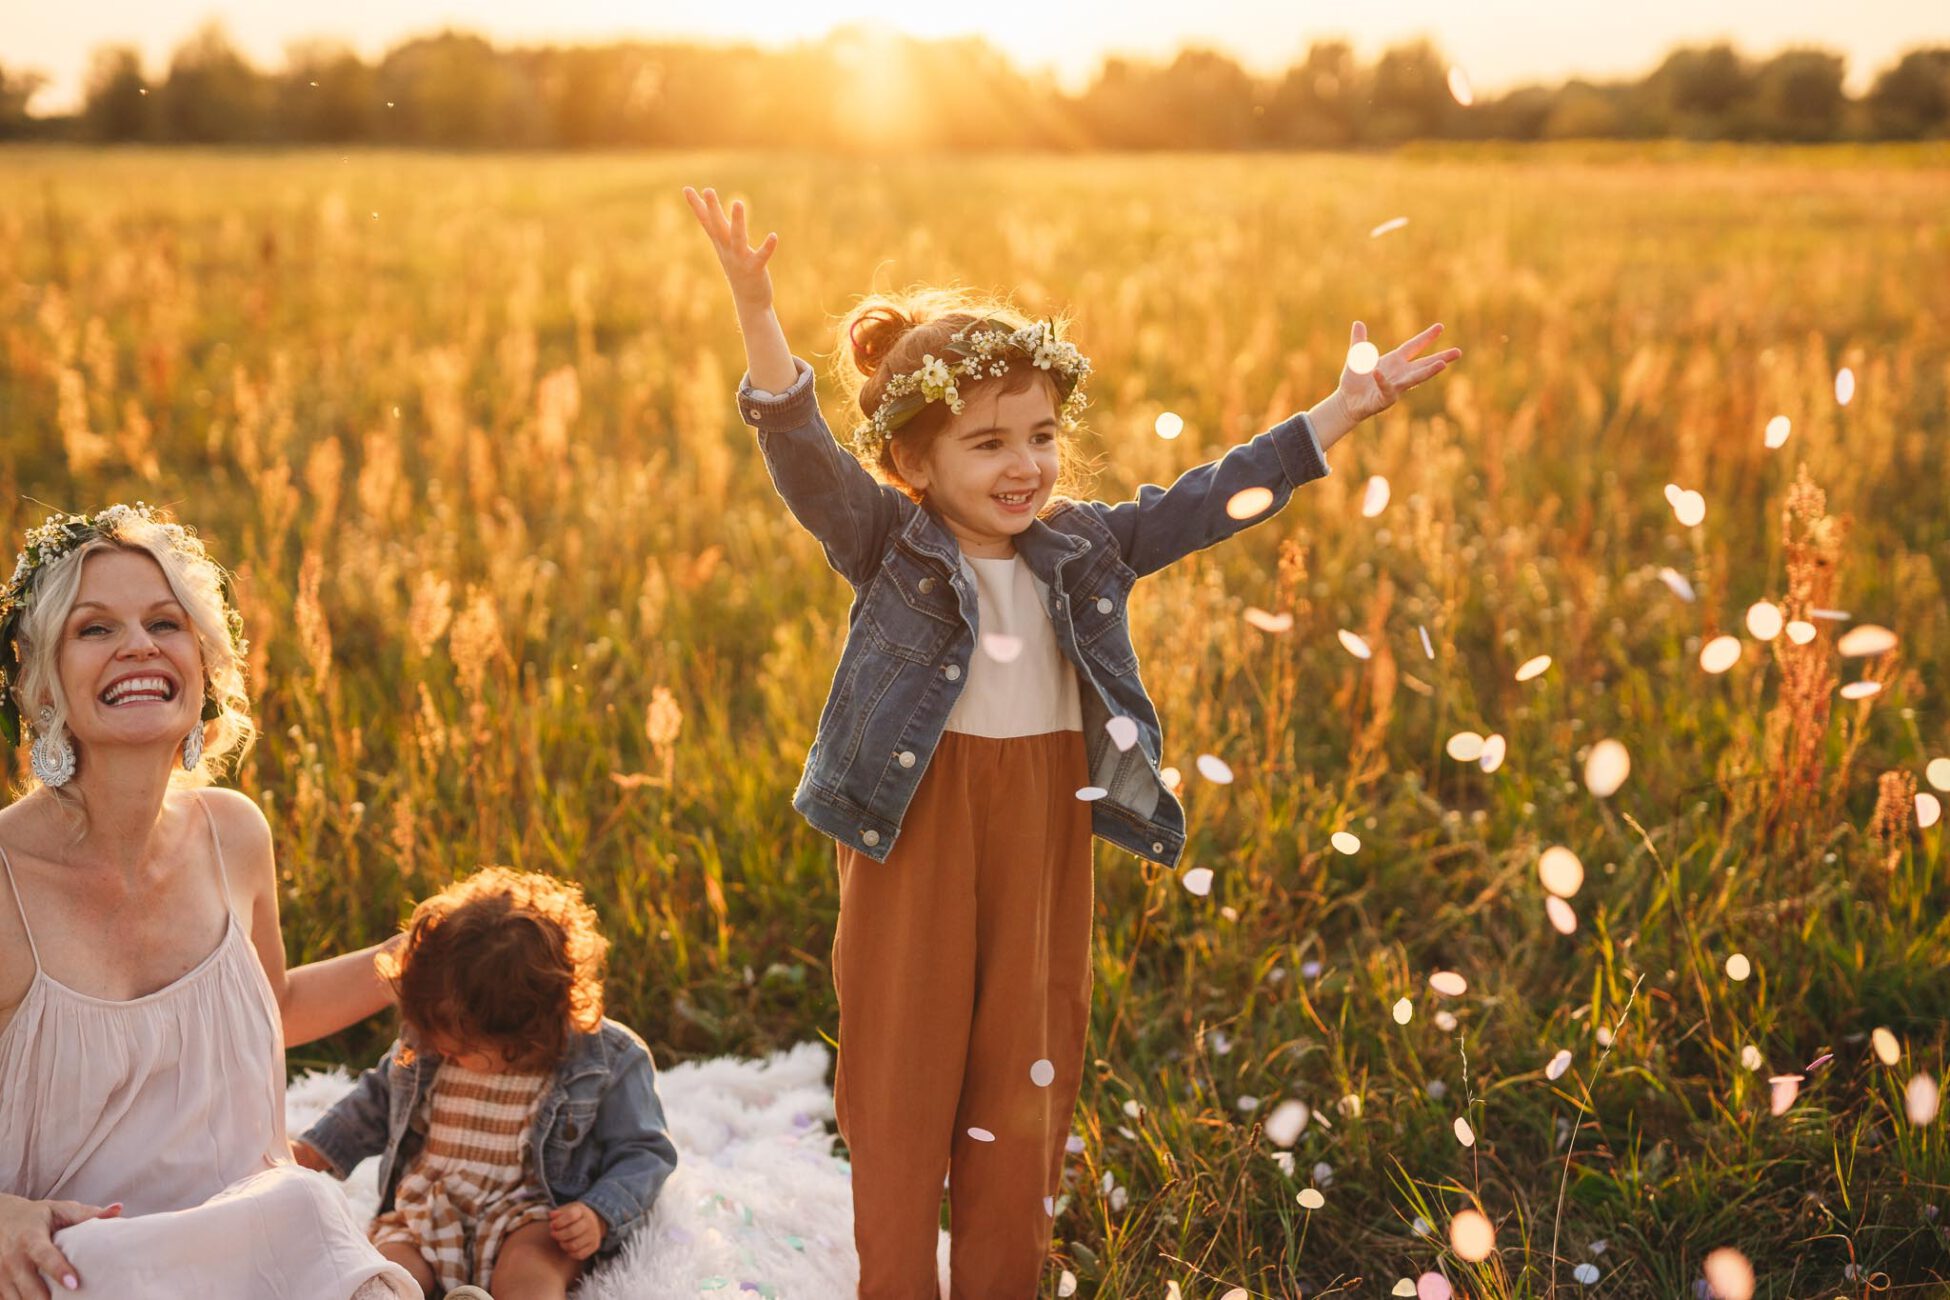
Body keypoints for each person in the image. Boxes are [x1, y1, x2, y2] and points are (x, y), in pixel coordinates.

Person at [683, 185, 1461, 1298]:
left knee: (1025, 1079)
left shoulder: (1085, 547)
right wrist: (756, 308)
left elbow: (1213, 496)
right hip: (917, 824)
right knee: (901, 1081)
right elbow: (802, 451)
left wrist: (1336, 413)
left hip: (1048, 820)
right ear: (915, 465)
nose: (1025, 465)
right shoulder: (884, 541)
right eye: (988, 441)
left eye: (1042, 435)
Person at [0, 503, 420, 1299]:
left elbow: (274, 1005)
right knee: (305, 1213)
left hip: (253, 1242)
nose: (138, 645)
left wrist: (431, 944)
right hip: (78, 1266)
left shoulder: (234, 833)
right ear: (42, 683)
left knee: (299, 1208)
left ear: (204, 659)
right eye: (95, 629)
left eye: (166, 621)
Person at [293, 866, 678, 1300]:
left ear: (521, 1034)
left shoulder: (606, 1060)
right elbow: (376, 1099)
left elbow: (644, 1152)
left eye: (456, 1048)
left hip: (530, 1217)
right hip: (428, 1211)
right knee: (386, 1276)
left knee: (528, 1276)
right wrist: (312, 1150)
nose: (434, 1047)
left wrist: (597, 1213)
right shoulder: (432, 1039)